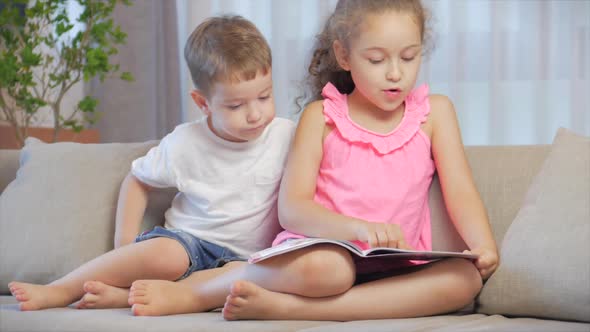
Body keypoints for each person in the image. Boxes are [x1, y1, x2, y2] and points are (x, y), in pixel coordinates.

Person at [220, 0, 499, 321]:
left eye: (409, 57)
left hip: (398, 266)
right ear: (344, 56)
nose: (396, 73)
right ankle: (217, 283)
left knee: (463, 281)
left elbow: (460, 191)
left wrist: (483, 245)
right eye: (377, 59)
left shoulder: (435, 113)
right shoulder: (320, 117)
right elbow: (292, 209)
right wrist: (357, 229)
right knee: (331, 271)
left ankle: (290, 309)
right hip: (324, 255)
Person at [7, 15, 296, 313]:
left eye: (264, 96)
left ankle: (129, 296)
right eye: (236, 105)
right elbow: (137, 180)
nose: (255, 114)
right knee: (168, 256)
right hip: (188, 243)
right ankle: (60, 289)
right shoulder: (185, 142)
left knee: (247, 280)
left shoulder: (286, 136)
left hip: (243, 259)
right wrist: (125, 245)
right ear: (202, 103)